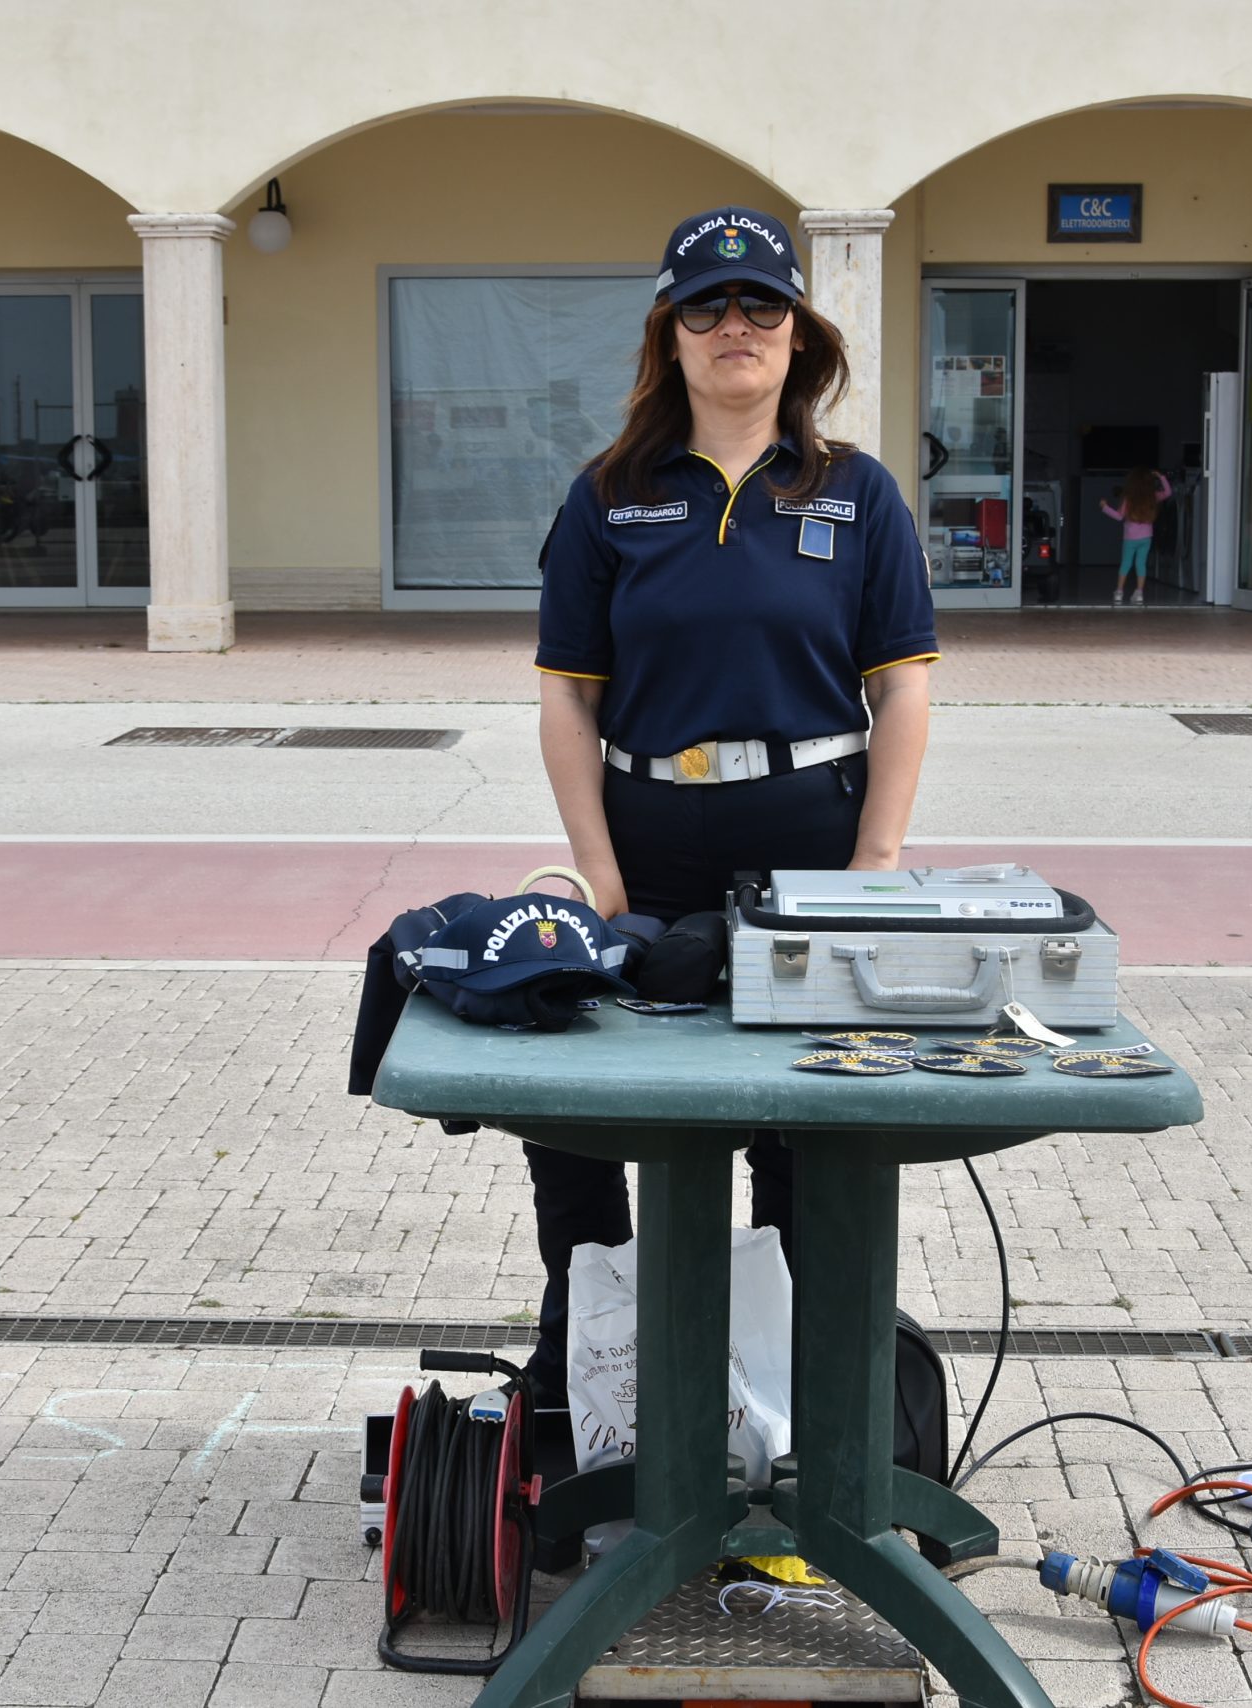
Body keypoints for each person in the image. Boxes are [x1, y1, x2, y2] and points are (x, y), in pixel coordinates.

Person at [523, 206, 939, 1401]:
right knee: (575, 1106)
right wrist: (598, 873)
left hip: (809, 838)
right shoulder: (608, 497)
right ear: (672, 334)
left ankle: (799, 1385)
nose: (734, 324)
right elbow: (566, 702)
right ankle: (596, 1352)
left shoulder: (857, 494)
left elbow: (902, 691)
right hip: (647, 843)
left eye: (761, 302)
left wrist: (874, 867)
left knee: (804, 1126)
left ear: (798, 333)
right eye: (704, 304)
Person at [1102, 466, 1171, 604]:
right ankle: (1139, 593)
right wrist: (1161, 477)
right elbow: (1168, 493)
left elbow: (1119, 516)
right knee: (1141, 564)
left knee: (1126, 563)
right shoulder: (1152, 497)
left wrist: (1105, 507)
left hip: (1130, 538)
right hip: (1146, 538)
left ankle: (1119, 592)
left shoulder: (1129, 498)